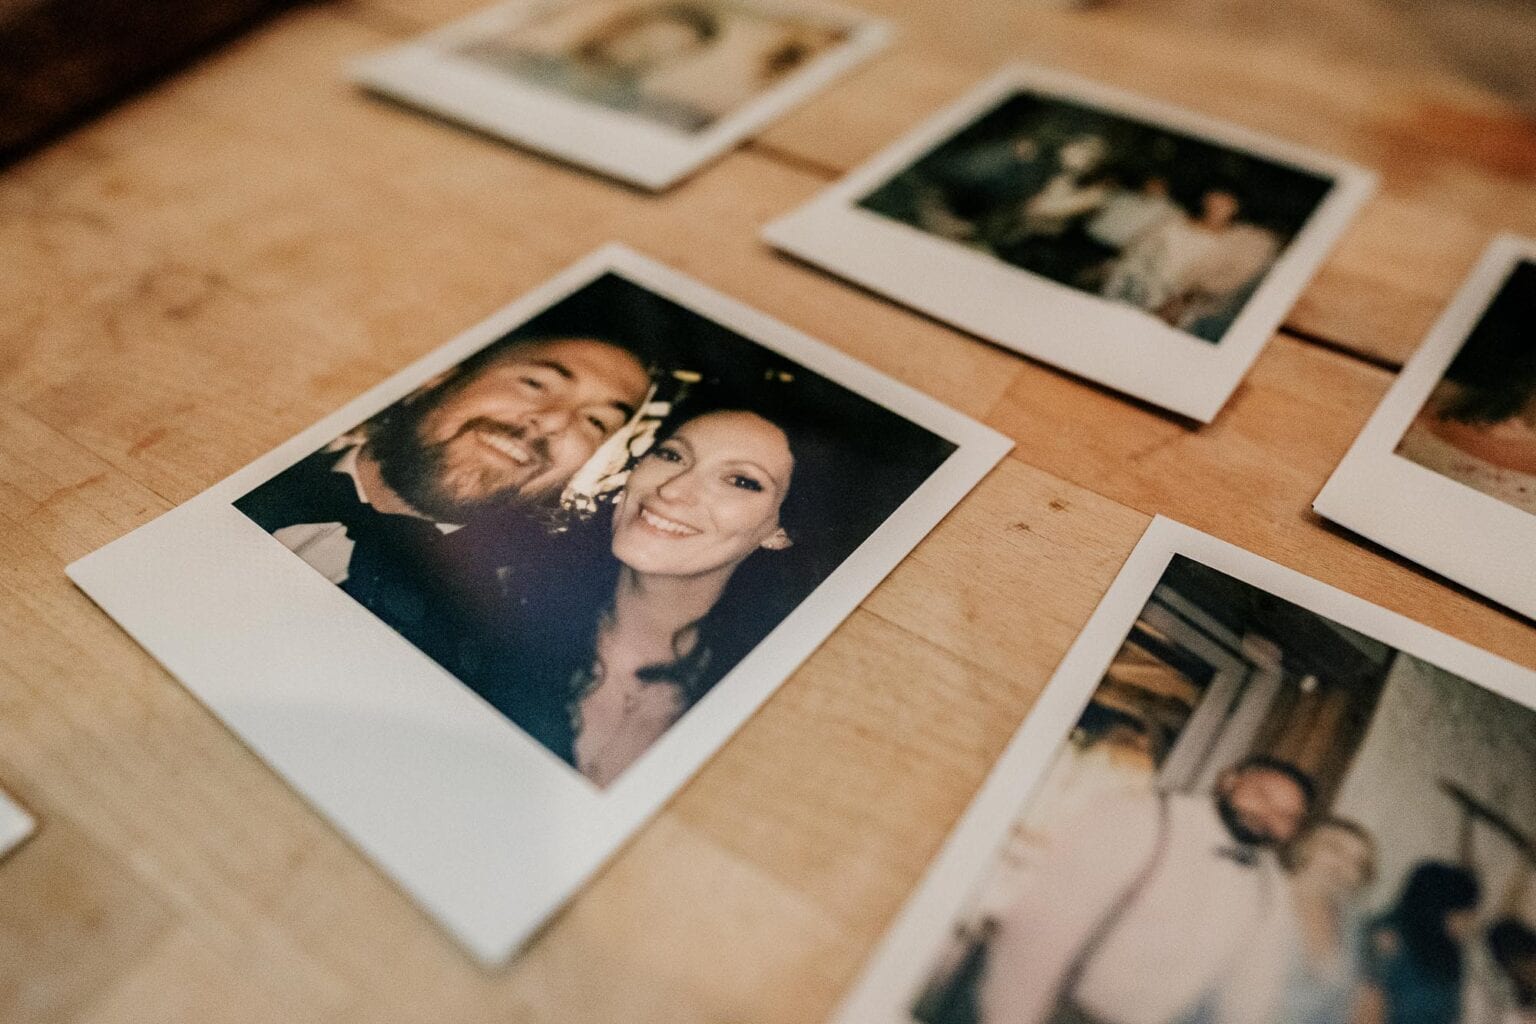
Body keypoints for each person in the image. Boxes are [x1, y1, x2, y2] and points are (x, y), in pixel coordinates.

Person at [462, 398, 840, 787]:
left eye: (741, 480)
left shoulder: (770, 706)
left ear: (780, 531)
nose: (673, 490)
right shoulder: (494, 603)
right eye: (672, 455)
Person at [234, 335, 651, 624]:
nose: (555, 420)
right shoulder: (241, 463)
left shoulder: (505, 634)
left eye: (597, 421)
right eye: (535, 383)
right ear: (439, 377)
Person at [978, 755, 1316, 1024]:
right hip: (1058, 1010)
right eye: (1261, 795)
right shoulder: (1142, 818)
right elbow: (1042, 930)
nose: (1268, 816)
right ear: (1228, 780)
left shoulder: (1272, 887)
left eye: (1287, 816)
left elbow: (1253, 985)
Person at [460, 2, 723, 132]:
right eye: (646, 41)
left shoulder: (654, 118)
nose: (643, 55)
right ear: (622, 27)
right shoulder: (507, 62)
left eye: (665, 53)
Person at [1275, 817, 1378, 1024]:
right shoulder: (1265, 897)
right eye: (1334, 848)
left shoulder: (1350, 922)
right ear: (1305, 845)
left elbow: (1360, 994)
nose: (1343, 865)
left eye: (1357, 863)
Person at [1357, 861, 1482, 1024]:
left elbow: (1452, 1011)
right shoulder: (1386, 936)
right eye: (1463, 912)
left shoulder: (1448, 949)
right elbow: (1366, 1008)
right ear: (1438, 907)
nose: (1469, 922)